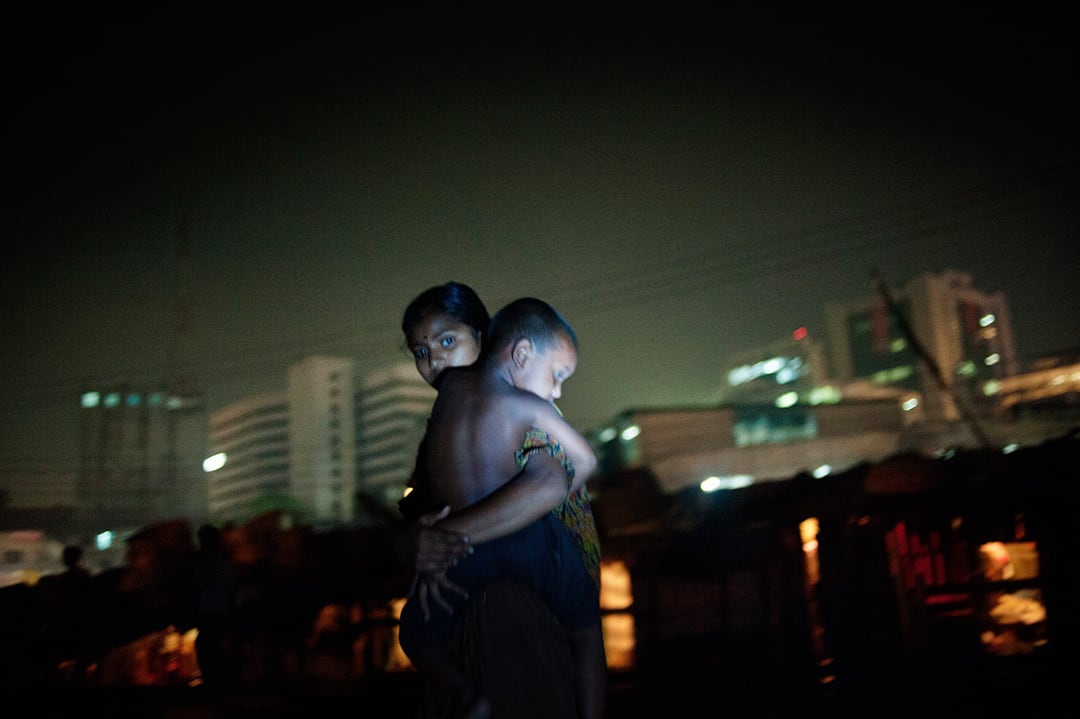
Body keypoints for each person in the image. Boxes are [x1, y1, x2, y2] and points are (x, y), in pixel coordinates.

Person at [397, 294, 606, 719]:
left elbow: (548, 483)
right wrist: (417, 544)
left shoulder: (499, 406)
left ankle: (468, 696)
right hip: (524, 575)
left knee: (417, 634)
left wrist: (448, 538)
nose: (435, 360)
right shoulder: (509, 407)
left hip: (516, 618)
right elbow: (580, 466)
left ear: (483, 336)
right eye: (421, 352)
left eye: (448, 341)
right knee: (588, 633)